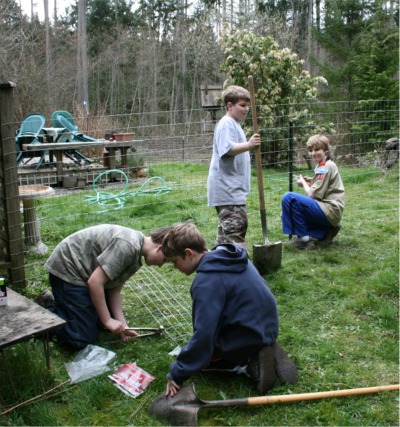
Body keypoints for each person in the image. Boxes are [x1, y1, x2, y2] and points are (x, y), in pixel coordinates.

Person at [161, 223, 297, 397]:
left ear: (188, 253)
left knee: (203, 362)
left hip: (248, 336)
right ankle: (263, 347)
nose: (175, 267)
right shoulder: (232, 257)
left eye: (175, 261)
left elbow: (204, 335)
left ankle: (249, 364)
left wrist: (178, 372)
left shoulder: (206, 282)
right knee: (203, 350)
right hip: (267, 327)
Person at [37, 224, 171, 349]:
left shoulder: (137, 255)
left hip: (87, 276)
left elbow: (114, 289)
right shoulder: (128, 246)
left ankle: (62, 305)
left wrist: (123, 325)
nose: (161, 265)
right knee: (81, 338)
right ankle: (43, 312)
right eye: (165, 260)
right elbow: (94, 282)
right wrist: (107, 320)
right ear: (159, 248)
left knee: (100, 324)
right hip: (68, 272)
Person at [207, 85, 261, 250]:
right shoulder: (226, 124)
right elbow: (227, 150)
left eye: (247, 106)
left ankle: (220, 268)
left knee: (226, 236)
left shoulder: (234, 123)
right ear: (229, 106)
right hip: (227, 190)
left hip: (233, 189)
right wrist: (249, 144)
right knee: (236, 230)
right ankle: (241, 267)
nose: (246, 110)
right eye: (242, 106)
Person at [281, 134, 345, 250]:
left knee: (289, 198)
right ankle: (325, 232)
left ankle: (304, 240)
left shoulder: (324, 167)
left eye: (317, 150)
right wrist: (310, 181)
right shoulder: (327, 164)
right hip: (331, 211)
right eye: (310, 150)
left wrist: (303, 183)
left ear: (325, 150)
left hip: (329, 209)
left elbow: (313, 195)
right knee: (287, 212)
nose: (313, 153)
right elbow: (324, 185)